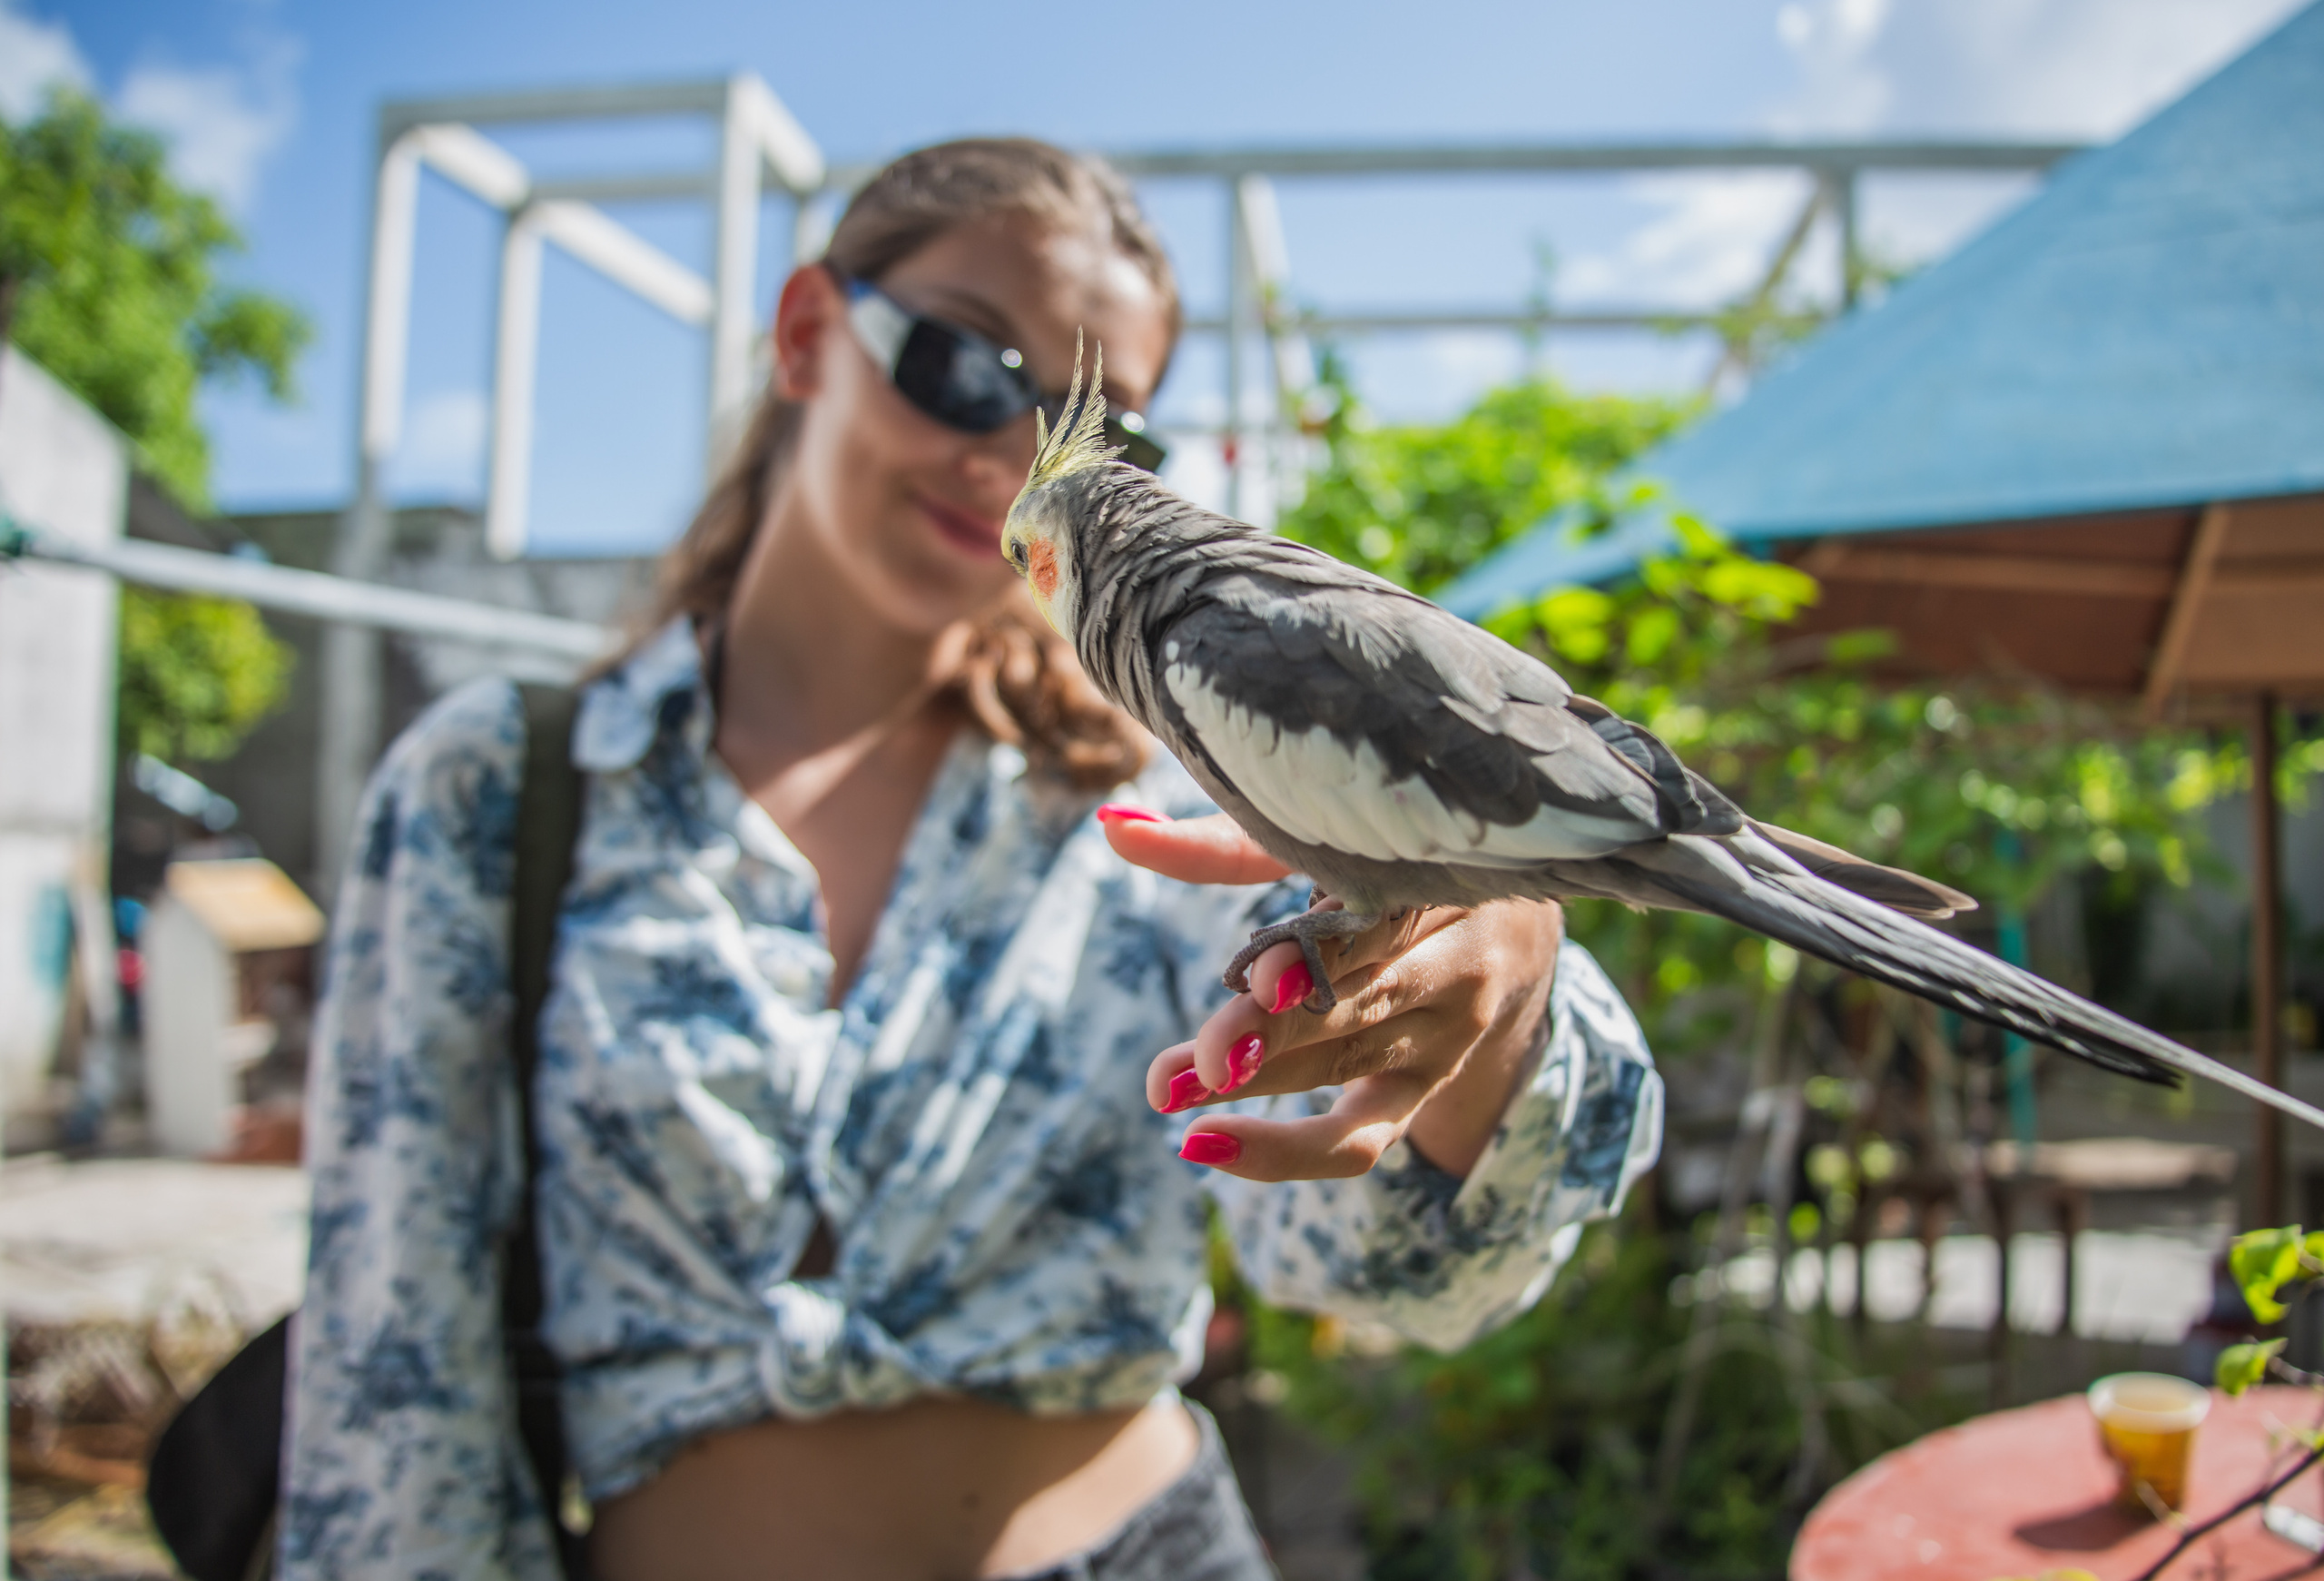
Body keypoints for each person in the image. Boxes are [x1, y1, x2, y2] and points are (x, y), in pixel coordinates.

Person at [281, 138, 1662, 1581]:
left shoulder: (1172, 784)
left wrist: (1490, 999)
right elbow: (391, 1378)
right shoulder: (498, 788)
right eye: (969, 364)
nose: (1014, 452)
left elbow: (1396, 1268)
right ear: (810, 331)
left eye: (1099, 424)